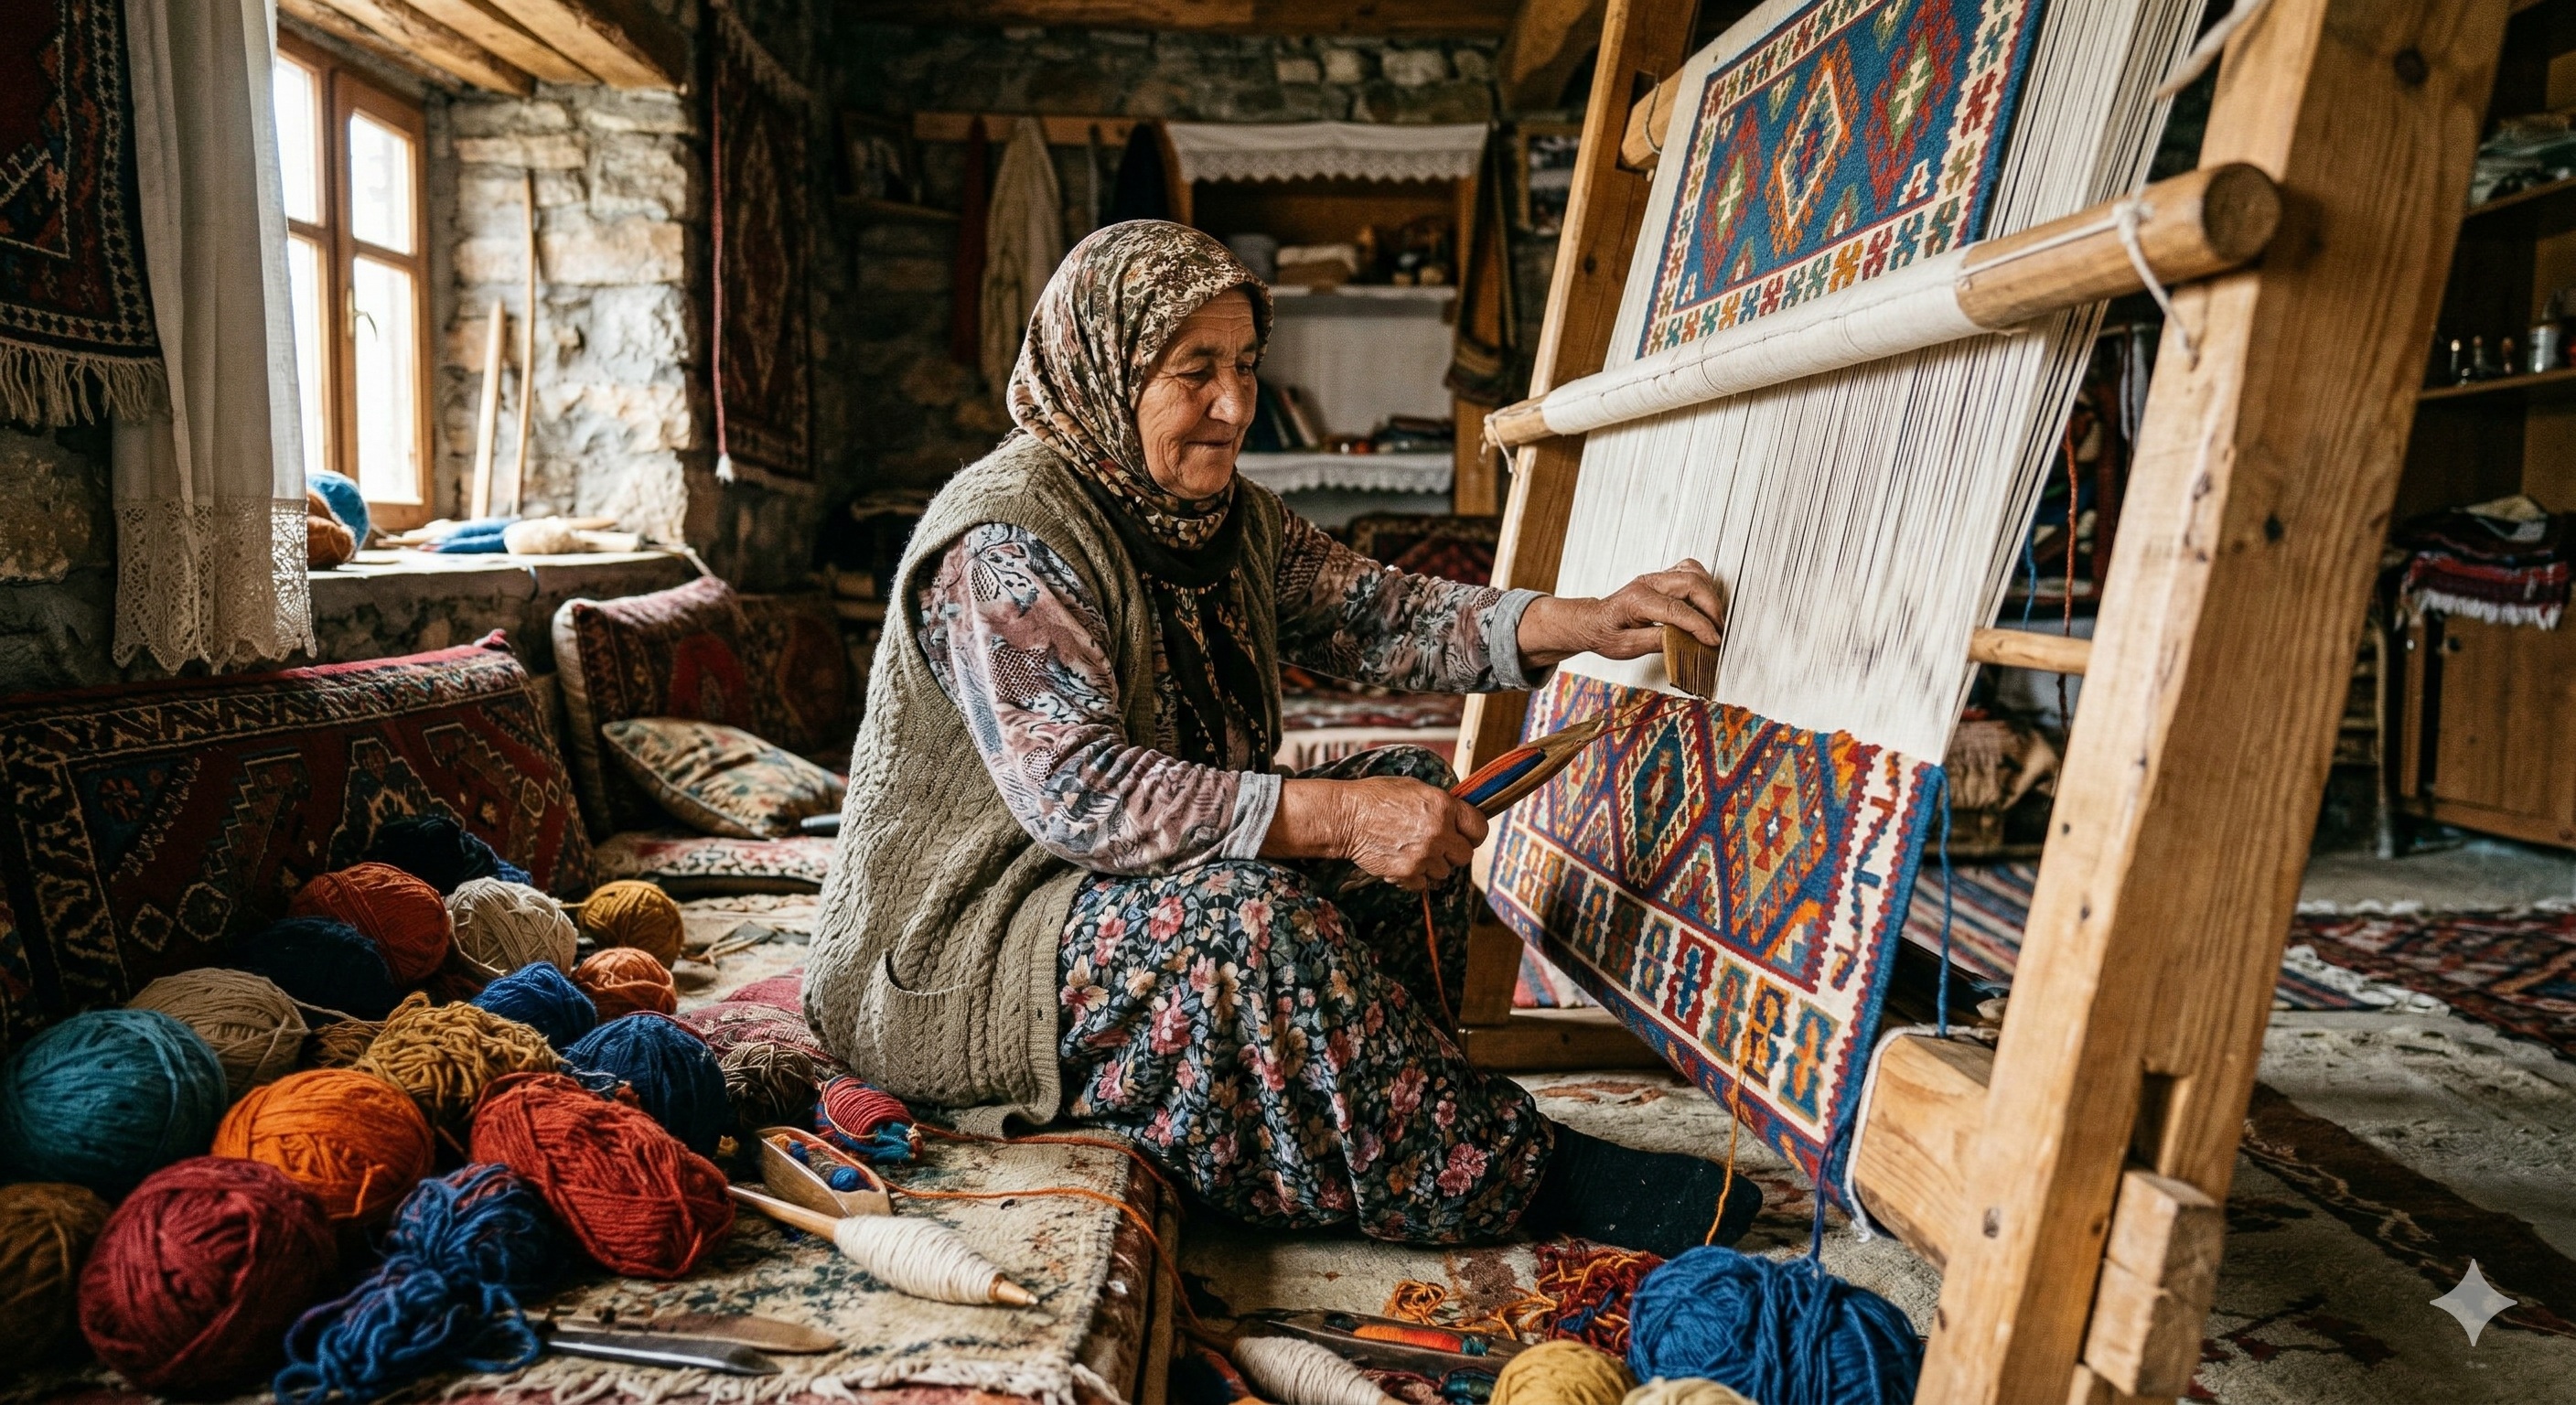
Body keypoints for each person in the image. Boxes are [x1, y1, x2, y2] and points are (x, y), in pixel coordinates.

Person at [807, 221, 1755, 1254]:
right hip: (975, 942)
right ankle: (1490, 1168)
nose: (1234, 404)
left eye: (1247, 365)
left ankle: (1401, 1106)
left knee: (1413, 784)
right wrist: (1339, 816)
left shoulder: (1222, 518)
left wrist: (1581, 621)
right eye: (1194, 372)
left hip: (1104, 894)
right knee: (1247, 919)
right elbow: (1084, 794)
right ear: (1102, 369)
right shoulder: (1007, 541)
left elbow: (1378, 615)